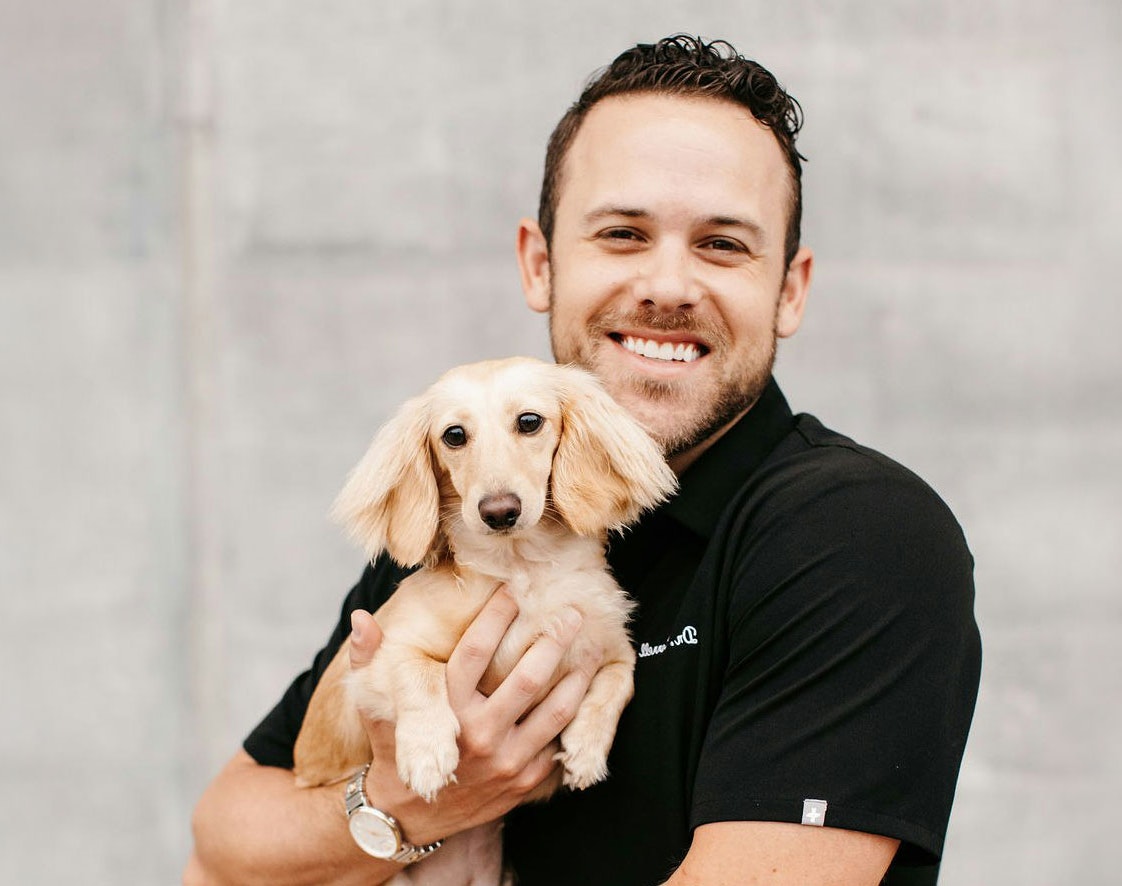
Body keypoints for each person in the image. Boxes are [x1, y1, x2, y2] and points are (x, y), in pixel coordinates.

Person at [186, 35, 981, 885]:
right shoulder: (469, 524)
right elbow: (222, 845)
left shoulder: (857, 535)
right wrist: (408, 808)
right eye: (623, 233)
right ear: (540, 264)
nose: (669, 287)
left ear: (788, 288)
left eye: (722, 245)